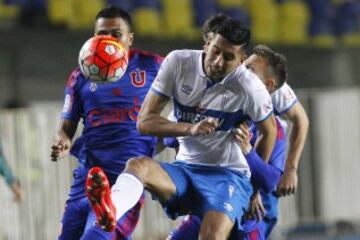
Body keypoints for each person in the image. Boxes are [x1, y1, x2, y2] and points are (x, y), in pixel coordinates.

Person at [86, 19, 278, 240]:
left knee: (211, 236)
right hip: (185, 170)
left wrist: (254, 189)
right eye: (215, 51)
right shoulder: (178, 62)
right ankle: (111, 210)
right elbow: (145, 122)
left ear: (242, 61)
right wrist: (190, 128)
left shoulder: (250, 87)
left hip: (228, 178)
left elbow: (269, 130)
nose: (216, 62)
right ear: (207, 45)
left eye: (228, 57)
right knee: (137, 165)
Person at [50, 6, 163, 240]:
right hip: (86, 180)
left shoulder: (153, 66)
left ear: (130, 38)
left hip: (124, 185)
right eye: (102, 34)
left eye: (116, 34)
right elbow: (66, 127)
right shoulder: (80, 76)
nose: (109, 41)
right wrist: (62, 141)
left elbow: (190, 87)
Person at [166, 45, 289, 240]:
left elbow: (270, 181)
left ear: (268, 85)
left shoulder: (273, 130)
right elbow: (169, 139)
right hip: (203, 213)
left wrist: (249, 153)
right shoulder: (217, 104)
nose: (241, 72)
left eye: (249, 70)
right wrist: (187, 124)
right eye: (243, 65)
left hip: (246, 224)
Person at [202, 13, 309, 198]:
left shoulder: (260, 84)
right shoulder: (206, 78)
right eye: (211, 44)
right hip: (229, 168)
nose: (212, 51)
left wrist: (290, 169)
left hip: (262, 158)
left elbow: (301, 119)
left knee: (259, 213)